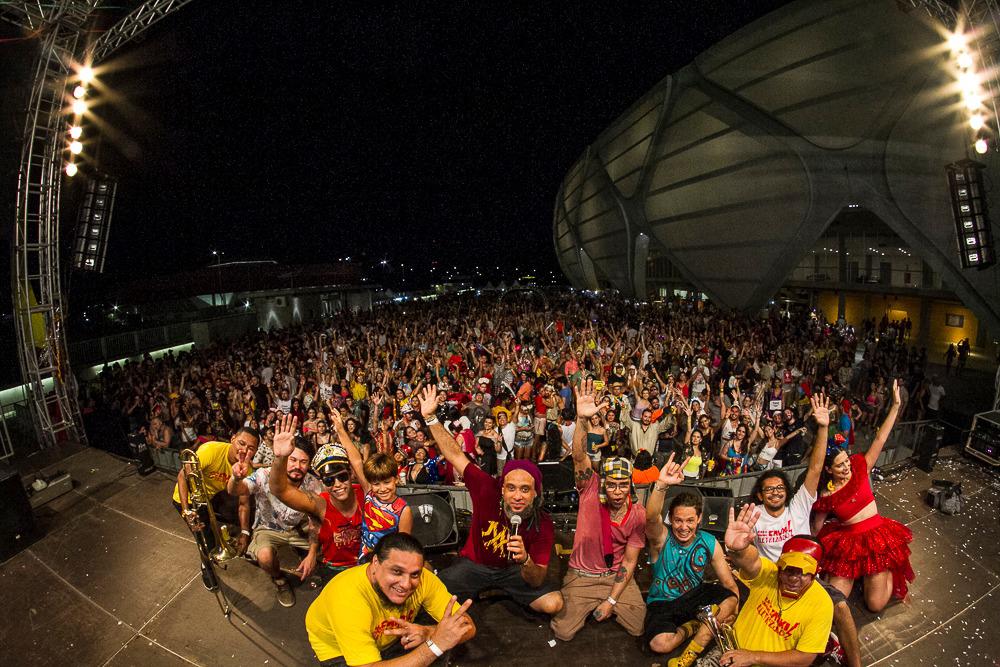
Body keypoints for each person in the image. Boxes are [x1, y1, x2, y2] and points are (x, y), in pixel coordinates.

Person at [420, 385, 564, 616]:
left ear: (536, 493)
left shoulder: (542, 523)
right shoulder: (487, 487)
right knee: (428, 592)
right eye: (511, 488)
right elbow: (455, 454)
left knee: (553, 604)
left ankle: (499, 589)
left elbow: (537, 579)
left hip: (514, 570)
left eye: (525, 490)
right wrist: (429, 418)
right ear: (502, 488)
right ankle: (486, 587)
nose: (517, 496)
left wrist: (526, 559)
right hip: (475, 565)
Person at [749, 392, 861, 667]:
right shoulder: (753, 516)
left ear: (787, 492)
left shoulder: (798, 506)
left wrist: (823, 427)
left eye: (779, 487)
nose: (775, 492)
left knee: (842, 607)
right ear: (760, 495)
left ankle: (855, 663)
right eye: (768, 489)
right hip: (774, 581)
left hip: (808, 579)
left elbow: (814, 468)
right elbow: (746, 555)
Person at [550, 380, 646, 642]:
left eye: (622, 485)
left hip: (615, 577)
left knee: (638, 626)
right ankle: (589, 603)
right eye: (611, 484)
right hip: (582, 576)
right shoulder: (590, 487)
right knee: (563, 632)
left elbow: (629, 561)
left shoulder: (637, 513)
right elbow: (580, 457)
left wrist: (612, 600)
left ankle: (605, 604)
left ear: (630, 486)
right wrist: (581, 420)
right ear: (604, 482)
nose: (616, 490)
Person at [812, 380, 913, 612]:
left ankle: (884, 569)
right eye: (839, 466)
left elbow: (880, 439)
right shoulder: (827, 494)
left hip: (877, 539)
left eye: (846, 461)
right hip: (849, 545)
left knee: (875, 605)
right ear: (829, 470)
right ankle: (858, 575)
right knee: (832, 600)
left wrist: (895, 407)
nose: (846, 467)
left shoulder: (860, 466)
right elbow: (817, 529)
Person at [305, 532, 477, 667]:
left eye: (414, 574)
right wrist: (435, 644)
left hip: (389, 636)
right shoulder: (347, 598)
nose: (406, 584)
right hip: (339, 650)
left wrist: (428, 632)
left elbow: (467, 627)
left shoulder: (425, 579)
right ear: (375, 564)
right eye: (396, 571)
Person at [644, 453, 740, 667]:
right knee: (660, 644)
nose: (683, 527)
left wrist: (733, 610)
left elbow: (728, 584)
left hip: (694, 597)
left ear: (698, 519)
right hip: (662, 602)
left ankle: (688, 656)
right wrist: (661, 484)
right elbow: (651, 518)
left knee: (731, 598)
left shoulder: (709, 541)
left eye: (689, 520)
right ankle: (695, 626)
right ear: (671, 519)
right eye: (678, 520)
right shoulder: (662, 537)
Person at [721, 504, 834, 667]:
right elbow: (752, 562)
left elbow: (804, 658)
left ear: (816, 573)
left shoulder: (822, 605)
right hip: (730, 652)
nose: (794, 578)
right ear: (779, 567)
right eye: (788, 571)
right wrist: (738, 549)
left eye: (803, 572)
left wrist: (753, 657)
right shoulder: (770, 573)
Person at [227, 436, 323, 607]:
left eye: (303, 462)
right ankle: (279, 580)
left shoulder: (313, 484)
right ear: (285, 458)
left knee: (328, 548)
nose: (297, 467)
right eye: (292, 460)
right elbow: (236, 490)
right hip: (268, 528)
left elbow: (315, 522)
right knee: (265, 558)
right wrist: (235, 478)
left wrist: (312, 554)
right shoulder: (264, 474)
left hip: (298, 528)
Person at [268, 418, 365, 577]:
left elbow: (357, 462)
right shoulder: (321, 503)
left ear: (351, 474)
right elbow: (279, 490)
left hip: (366, 565)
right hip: (335, 570)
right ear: (323, 482)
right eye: (329, 480)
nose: (337, 484)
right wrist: (280, 458)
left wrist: (340, 430)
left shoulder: (365, 492)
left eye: (342, 477)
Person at [172, 426, 259, 591]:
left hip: (212, 495)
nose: (244, 450)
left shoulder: (247, 469)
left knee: (245, 507)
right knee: (206, 539)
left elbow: (244, 503)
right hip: (189, 499)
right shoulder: (210, 450)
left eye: (250, 448)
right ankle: (207, 567)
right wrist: (186, 510)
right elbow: (182, 476)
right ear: (232, 438)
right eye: (241, 443)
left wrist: (245, 532)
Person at [331, 410, 413, 561]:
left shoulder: (403, 510)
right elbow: (356, 460)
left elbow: (403, 548)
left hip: (386, 562)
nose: (382, 489)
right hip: (364, 559)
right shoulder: (369, 492)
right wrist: (341, 430)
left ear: (396, 479)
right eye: (376, 483)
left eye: (387, 482)